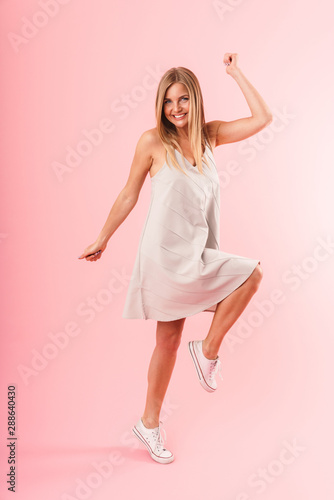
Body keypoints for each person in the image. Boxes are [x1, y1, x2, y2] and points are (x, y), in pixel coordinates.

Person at [78, 53, 273, 465]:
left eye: (183, 99)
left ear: (195, 100)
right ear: (161, 106)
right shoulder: (152, 141)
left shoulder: (210, 135)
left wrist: (235, 72)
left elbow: (262, 118)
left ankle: (208, 350)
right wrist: (103, 237)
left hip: (197, 251)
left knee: (250, 276)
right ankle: (149, 424)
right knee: (166, 342)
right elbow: (129, 192)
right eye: (169, 102)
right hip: (163, 254)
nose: (176, 109)